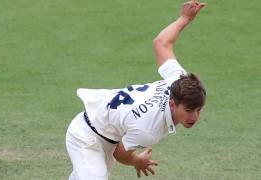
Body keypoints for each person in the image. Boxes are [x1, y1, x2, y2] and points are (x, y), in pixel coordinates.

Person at [65, 0, 206, 179]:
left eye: (198, 110)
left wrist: (185, 18)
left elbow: (161, 43)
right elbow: (120, 154)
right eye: (188, 110)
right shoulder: (149, 128)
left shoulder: (178, 80)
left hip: (108, 133)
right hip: (87, 136)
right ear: (172, 103)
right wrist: (137, 161)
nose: (194, 117)